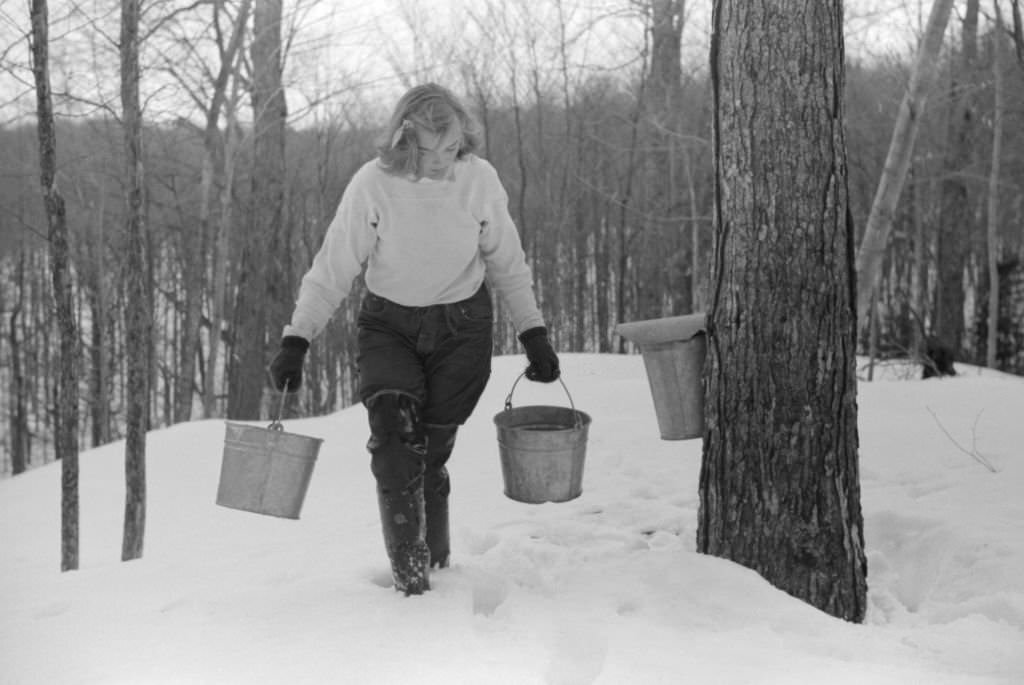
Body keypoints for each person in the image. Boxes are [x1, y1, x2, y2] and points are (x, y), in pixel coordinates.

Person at [268, 83, 559, 595]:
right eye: (427, 150)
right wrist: (298, 338)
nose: (440, 161)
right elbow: (334, 266)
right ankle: (411, 576)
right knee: (395, 443)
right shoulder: (373, 184)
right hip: (389, 328)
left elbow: (507, 264)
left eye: (450, 149)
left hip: (461, 331)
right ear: (404, 140)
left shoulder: (479, 180)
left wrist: (533, 332)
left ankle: (437, 560)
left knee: (430, 455)